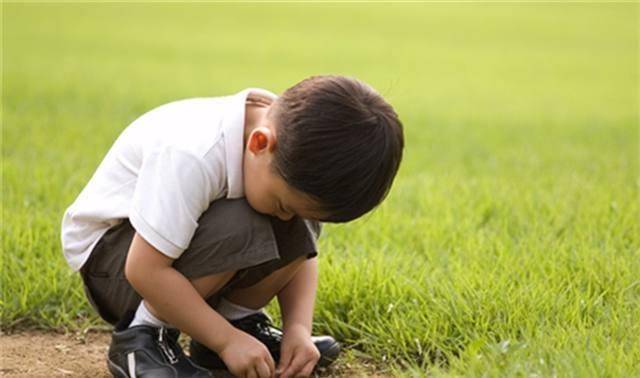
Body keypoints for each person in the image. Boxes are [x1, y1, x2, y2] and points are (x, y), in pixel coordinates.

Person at [60, 74, 404, 378]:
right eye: (284, 204)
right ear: (259, 144)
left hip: (167, 257)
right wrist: (227, 341)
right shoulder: (192, 154)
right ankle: (143, 337)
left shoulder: (286, 139)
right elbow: (144, 270)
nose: (286, 218)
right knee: (246, 224)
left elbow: (303, 252)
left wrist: (298, 329)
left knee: (288, 222)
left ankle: (235, 324)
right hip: (113, 263)